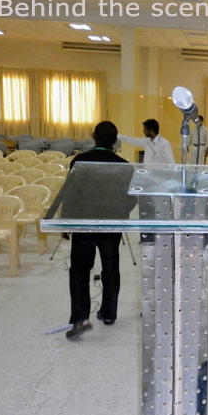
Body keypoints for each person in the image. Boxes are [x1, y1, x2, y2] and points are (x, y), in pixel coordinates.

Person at [64, 121, 136, 339]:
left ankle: (81, 317)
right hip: (111, 223)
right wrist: (119, 214)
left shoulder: (79, 161)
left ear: (93, 136)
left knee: (79, 270)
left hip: (83, 223)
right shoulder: (125, 166)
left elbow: (70, 193)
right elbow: (131, 198)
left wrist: (66, 221)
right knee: (111, 267)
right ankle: (109, 313)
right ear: (115, 141)